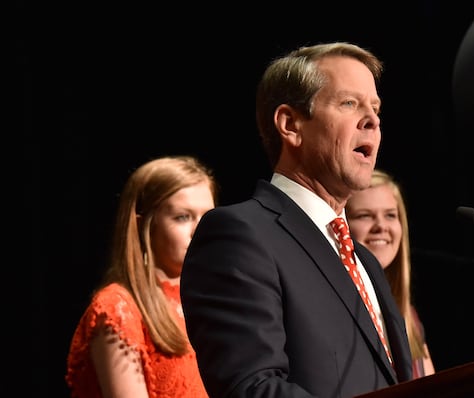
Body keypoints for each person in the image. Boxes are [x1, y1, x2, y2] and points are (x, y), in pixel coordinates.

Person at [180, 42, 413, 398]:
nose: (373, 120)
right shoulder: (240, 236)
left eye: (376, 108)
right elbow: (252, 388)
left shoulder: (364, 260)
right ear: (290, 125)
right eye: (349, 103)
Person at [65, 155, 217, 398]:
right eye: (182, 217)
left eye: (207, 217)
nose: (199, 230)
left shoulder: (210, 298)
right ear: (143, 224)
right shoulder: (118, 308)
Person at [345, 168, 436, 378]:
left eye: (390, 215)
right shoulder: (340, 307)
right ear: (343, 226)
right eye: (364, 215)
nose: (381, 226)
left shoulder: (408, 316)